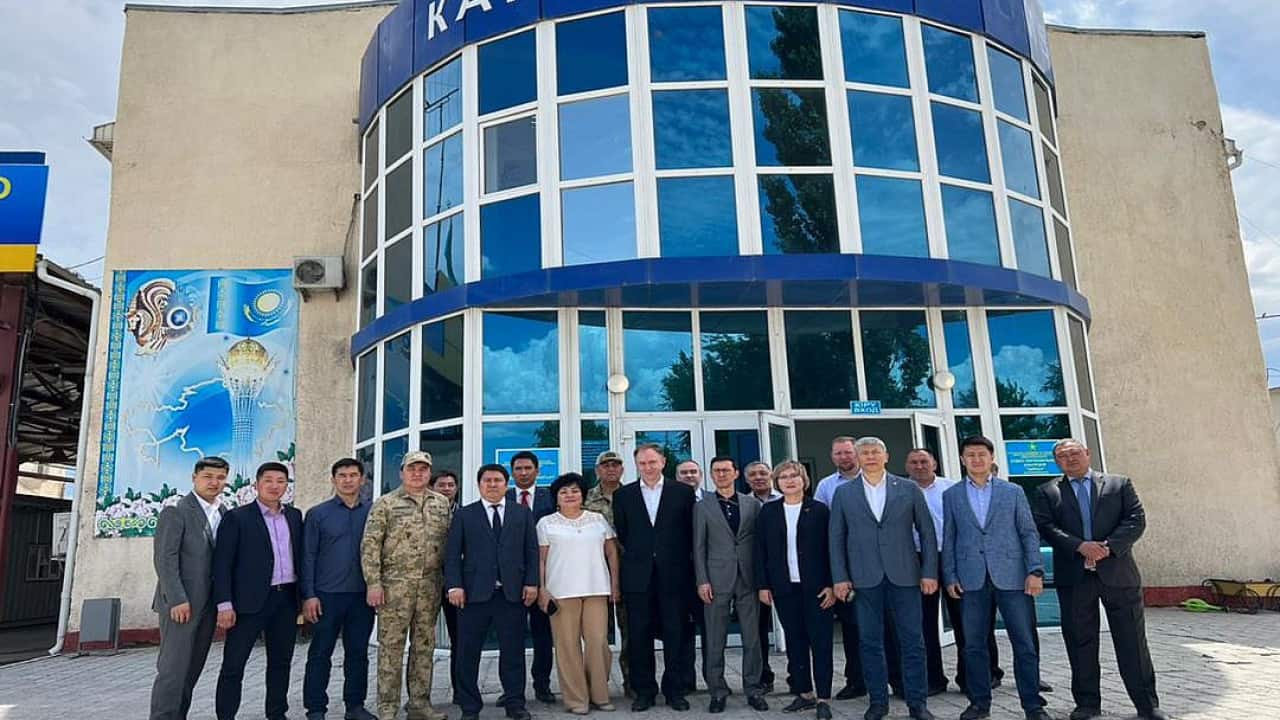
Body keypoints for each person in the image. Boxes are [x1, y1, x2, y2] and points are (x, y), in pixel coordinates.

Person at [1033, 440, 1167, 720]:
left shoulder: (1119, 484)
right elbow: (1046, 527)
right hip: (1075, 577)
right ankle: (1087, 704)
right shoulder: (1047, 491)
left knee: (1132, 641)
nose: (1070, 458)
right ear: (1056, 462)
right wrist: (1080, 546)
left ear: (1087, 454)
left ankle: (1147, 705)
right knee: (1080, 641)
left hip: (1118, 574)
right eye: (1062, 456)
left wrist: (1107, 547)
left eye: (1075, 453)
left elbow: (1135, 519)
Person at [830, 437, 937, 720]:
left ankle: (917, 703)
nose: (870, 456)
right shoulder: (844, 493)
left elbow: (927, 532)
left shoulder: (908, 488)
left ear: (886, 456)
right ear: (858, 458)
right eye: (864, 452)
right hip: (864, 578)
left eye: (875, 452)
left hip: (905, 576)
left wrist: (929, 572)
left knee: (913, 641)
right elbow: (836, 538)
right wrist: (840, 577)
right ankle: (878, 702)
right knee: (869, 642)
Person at [943, 437, 1049, 720]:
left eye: (982, 454)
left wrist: (1035, 571)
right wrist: (950, 575)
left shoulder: (1012, 492)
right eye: (970, 455)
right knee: (973, 645)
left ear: (991, 458)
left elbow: (1028, 532)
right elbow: (949, 538)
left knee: (1024, 643)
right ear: (962, 460)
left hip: (1013, 577)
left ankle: (1033, 705)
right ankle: (979, 703)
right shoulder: (952, 495)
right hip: (971, 579)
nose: (976, 459)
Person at [361, 451, 454, 720]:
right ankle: (387, 708)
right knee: (391, 649)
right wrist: (373, 583)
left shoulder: (440, 503)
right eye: (412, 469)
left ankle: (419, 704)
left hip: (429, 587)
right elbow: (370, 545)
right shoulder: (386, 503)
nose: (417, 473)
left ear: (429, 473)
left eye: (423, 469)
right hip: (394, 588)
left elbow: (449, 544)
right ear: (402, 472)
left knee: (424, 648)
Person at [445, 463, 539, 720]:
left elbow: (531, 551)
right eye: (487, 480)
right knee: (467, 653)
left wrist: (532, 583)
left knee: (513, 653)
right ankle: (469, 707)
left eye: (498, 480)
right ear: (479, 485)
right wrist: (454, 585)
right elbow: (452, 555)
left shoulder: (521, 513)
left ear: (506, 484)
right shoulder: (465, 515)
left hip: (511, 595)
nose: (493, 484)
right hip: (473, 596)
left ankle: (515, 704)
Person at [213, 462, 304, 720]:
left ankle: (277, 714)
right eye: (268, 481)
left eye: (281, 481)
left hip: (286, 599)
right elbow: (222, 564)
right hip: (248, 603)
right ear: (257, 485)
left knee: (281, 663)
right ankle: (226, 715)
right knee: (234, 665)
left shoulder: (294, 516)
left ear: (287, 486)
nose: (275, 486)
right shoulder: (237, 518)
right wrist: (224, 604)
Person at [613, 443, 697, 712]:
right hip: (638, 576)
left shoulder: (682, 492)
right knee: (639, 636)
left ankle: (675, 691)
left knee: (675, 633)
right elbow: (624, 533)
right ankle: (644, 691)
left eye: (652, 462)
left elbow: (689, 533)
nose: (648, 467)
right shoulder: (623, 495)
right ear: (636, 465)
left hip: (674, 575)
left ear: (663, 462)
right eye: (642, 463)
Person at [149, 456, 229, 720]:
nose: (214, 482)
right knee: (173, 670)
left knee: (192, 670)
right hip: (181, 605)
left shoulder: (223, 512)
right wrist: (177, 599)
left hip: (208, 605)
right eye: (208, 477)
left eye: (220, 478)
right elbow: (165, 559)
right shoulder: (176, 511)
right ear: (194, 478)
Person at [755, 461, 836, 720]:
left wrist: (832, 584)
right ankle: (804, 693)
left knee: (821, 642)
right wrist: (763, 585)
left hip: (818, 588)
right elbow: (760, 550)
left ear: (804, 480)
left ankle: (823, 698)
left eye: (794, 476)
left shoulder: (820, 510)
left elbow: (832, 549)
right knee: (795, 641)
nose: (789, 481)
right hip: (784, 587)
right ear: (777, 482)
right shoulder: (768, 512)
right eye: (783, 477)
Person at [537, 472, 621, 715]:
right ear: (556, 497)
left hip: (596, 588)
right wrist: (542, 589)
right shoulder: (546, 523)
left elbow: (612, 553)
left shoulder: (597, 520)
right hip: (561, 592)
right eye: (563, 492)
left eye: (574, 491)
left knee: (598, 643)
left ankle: (600, 695)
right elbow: (541, 560)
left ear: (583, 495)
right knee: (567, 647)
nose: (569, 495)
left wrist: (615, 585)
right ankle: (576, 700)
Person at [301, 458, 377, 720]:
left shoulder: (373, 512)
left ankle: (355, 706)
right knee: (320, 653)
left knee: (358, 653)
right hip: (326, 595)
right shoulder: (317, 514)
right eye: (342, 475)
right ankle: (315, 708)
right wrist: (309, 595)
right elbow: (308, 556)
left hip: (361, 595)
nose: (347, 480)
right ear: (333, 480)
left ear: (362, 479)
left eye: (353, 475)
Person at [693, 457, 769, 713]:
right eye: (716, 471)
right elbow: (698, 546)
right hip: (716, 578)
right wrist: (702, 580)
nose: (721, 474)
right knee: (715, 638)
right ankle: (717, 691)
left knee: (752, 637)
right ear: (711, 475)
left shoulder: (752, 504)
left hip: (748, 578)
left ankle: (754, 688)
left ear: (736, 473)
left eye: (726, 470)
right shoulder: (702, 507)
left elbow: (759, 544)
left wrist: (762, 580)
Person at [812, 437, 865, 700]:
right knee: (852, 626)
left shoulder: (874, 479)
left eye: (848, 452)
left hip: (877, 563)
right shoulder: (826, 486)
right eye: (838, 453)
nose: (844, 457)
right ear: (832, 457)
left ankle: (896, 678)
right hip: (844, 563)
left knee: (887, 626)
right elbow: (821, 526)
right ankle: (856, 680)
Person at [508, 450, 557, 704]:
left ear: (537, 471)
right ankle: (512, 689)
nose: (523, 473)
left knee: (543, 635)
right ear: (512, 472)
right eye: (518, 468)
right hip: (510, 579)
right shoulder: (503, 497)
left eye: (528, 468)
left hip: (545, 576)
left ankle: (542, 685)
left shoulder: (551, 497)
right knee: (511, 637)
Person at [583, 450, 632, 698]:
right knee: (597, 634)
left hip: (630, 572)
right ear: (597, 470)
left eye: (615, 465)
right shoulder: (585, 499)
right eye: (606, 465)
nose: (611, 469)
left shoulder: (633, 495)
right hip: (595, 573)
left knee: (631, 630)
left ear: (622, 469)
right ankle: (597, 685)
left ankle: (632, 682)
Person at [744, 460, 782, 694]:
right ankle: (763, 675)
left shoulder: (786, 498)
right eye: (753, 475)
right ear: (746, 479)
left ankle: (798, 677)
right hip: (757, 574)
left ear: (771, 475)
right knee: (759, 628)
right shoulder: (744, 503)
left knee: (793, 628)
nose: (758, 477)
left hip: (786, 572)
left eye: (762, 473)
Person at [430, 469, 462, 706]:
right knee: (422, 642)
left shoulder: (466, 514)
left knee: (459, 640)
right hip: (427, 583)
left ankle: (461, 691)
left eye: (451, 485)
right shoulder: (425, 512)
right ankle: (419, 697)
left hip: (456, 585)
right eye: (442, 485)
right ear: (432, 488)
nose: (447, 488)